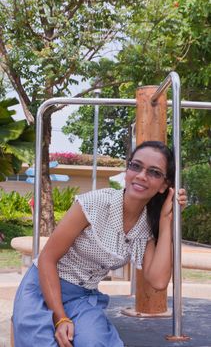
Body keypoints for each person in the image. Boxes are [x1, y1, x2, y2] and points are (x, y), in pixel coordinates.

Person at [12, 141, 187, 347]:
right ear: (127, 169)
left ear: (164, 185)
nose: (141, 175)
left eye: (154, 172)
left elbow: (157, 281)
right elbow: (47, 259)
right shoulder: (94, 204)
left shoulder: (146, 225)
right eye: (136, 166)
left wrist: (167, 221)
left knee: (95, 343)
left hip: (82, 298)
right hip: (43, 287)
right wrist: (61, 318)